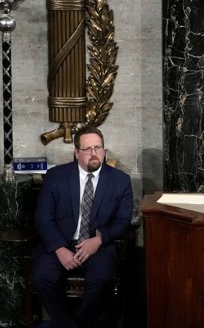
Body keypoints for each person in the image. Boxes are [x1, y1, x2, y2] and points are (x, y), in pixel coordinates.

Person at [31, 126, 134, 328]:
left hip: (98, 245)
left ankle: (82, 323)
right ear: (76, 153)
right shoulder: (55, 177)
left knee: (102, 278)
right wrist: (59, 248)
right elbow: (43, 217)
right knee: (42, 277)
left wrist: (99, 239)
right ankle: (67, 325)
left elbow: (123, 221)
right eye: (87, 149)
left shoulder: (120, 181)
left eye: (98, 148)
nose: (94, 154)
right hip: (60, 242)